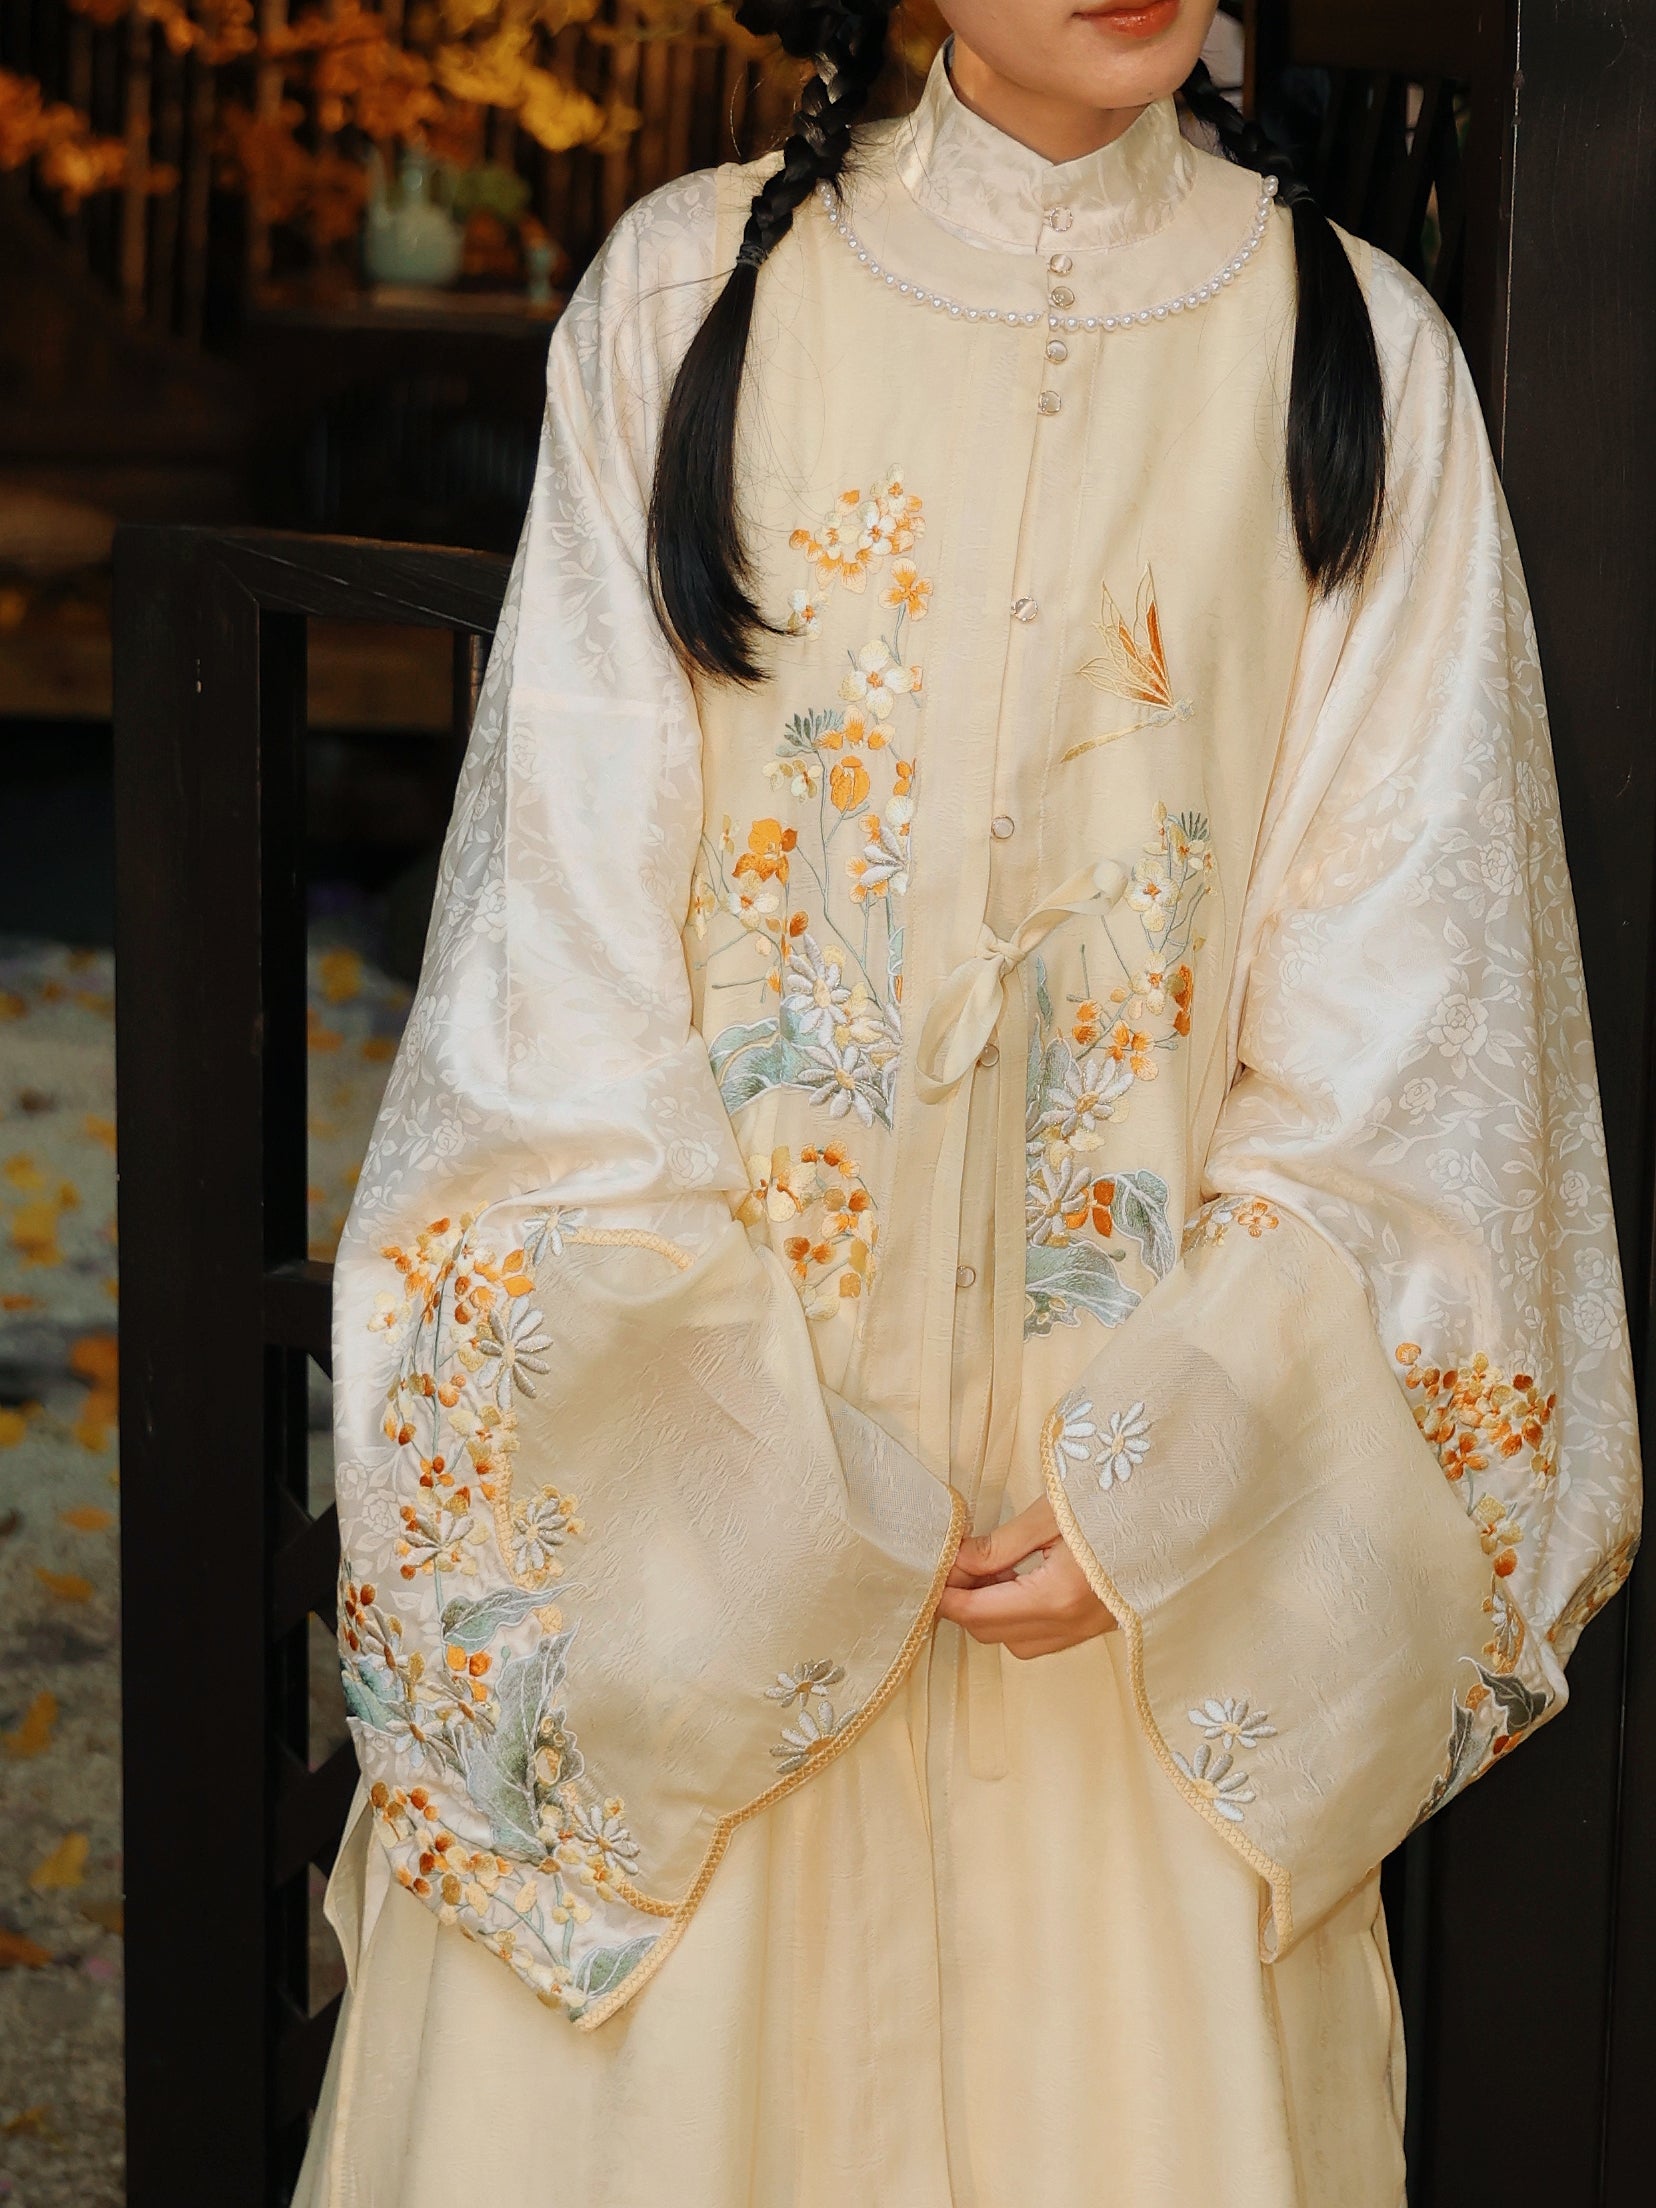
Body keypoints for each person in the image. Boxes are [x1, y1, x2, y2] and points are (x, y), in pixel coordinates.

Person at [297, 4, 1641, 2201]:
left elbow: (1423, 1014)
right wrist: (757, 1476)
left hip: (1120, 1582)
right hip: (714, 1519)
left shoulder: (1355, 354)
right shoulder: (683, 295)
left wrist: (1181, 1471)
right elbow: (558, 958)